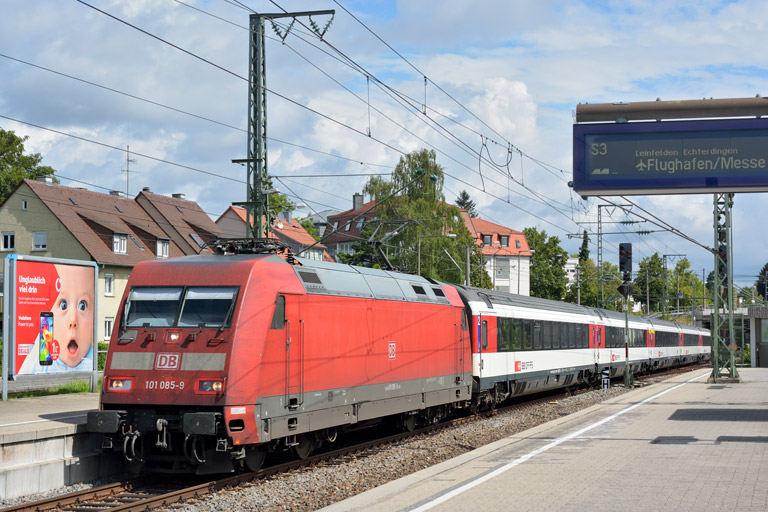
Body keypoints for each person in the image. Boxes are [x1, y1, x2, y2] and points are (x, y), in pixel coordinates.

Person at [50, 263, 95, 370]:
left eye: (82, 306)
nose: (73, 320)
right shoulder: (42, 364)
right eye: (63, 305)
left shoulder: (90, 364)